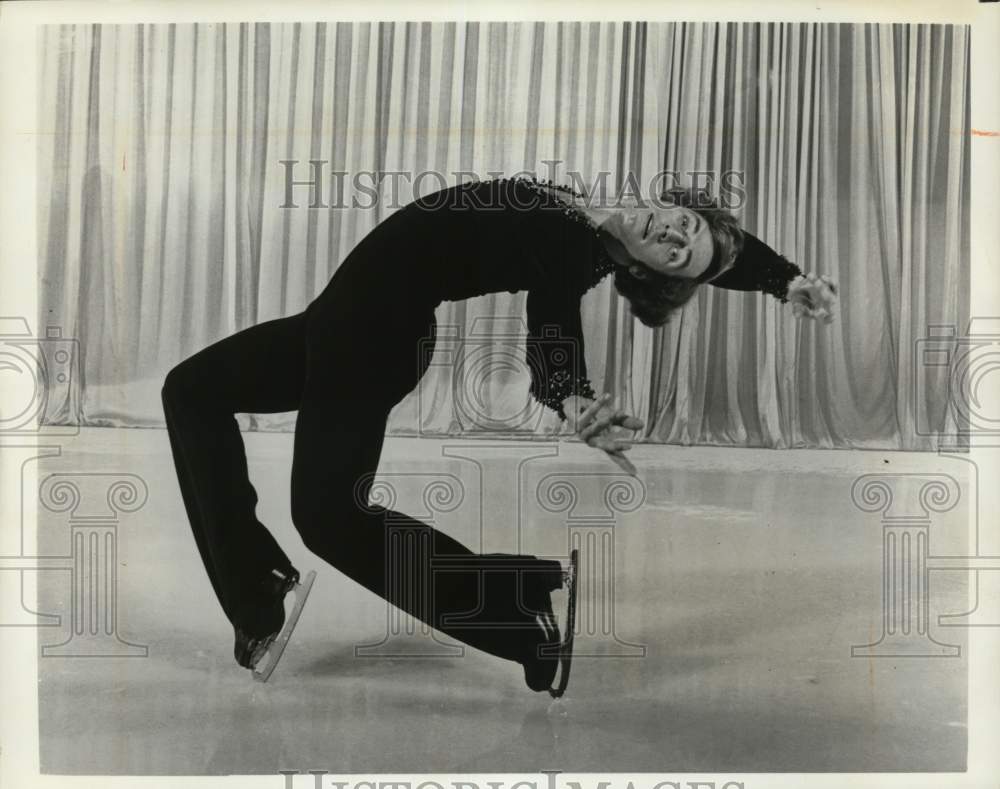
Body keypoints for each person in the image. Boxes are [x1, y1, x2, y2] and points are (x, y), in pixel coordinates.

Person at [160, 175, 838, 694]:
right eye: (680, 222)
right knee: (191, 391)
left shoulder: (572, 248)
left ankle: (519, 623)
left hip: (370, 337)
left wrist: (572, 394)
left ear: (646, 274)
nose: (671, 235)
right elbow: (731, 248)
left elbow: (552, 317)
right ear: (671, 201)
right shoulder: (585, 213)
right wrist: (788, 279)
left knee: (327, 516)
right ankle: (262, 589)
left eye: (676, 255)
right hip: (335, 324)